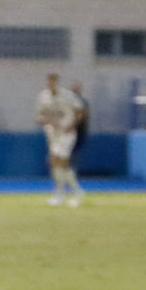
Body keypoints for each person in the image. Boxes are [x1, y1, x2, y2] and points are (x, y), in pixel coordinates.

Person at [36, 73, 86, 207]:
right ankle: (68, 191)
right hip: (53, 133)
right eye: (49, 82)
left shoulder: (67, 95)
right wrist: (47, 120)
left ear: (57, 82)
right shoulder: (43, 96)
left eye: (53, 82)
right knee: (55, 162)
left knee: (60, 160)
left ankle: (68, 192)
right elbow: (40, 116)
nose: (51, 84)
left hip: (66, 133)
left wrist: (73, 124)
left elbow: (81, 110)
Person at [67, 80, 89, 172]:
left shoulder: (82, 102)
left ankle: (71, 172)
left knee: (74, 152)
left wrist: (75, 124)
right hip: (66, 131)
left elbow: (85, 115)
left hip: (79, 131)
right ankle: (63, 172)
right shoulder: (66, 102)